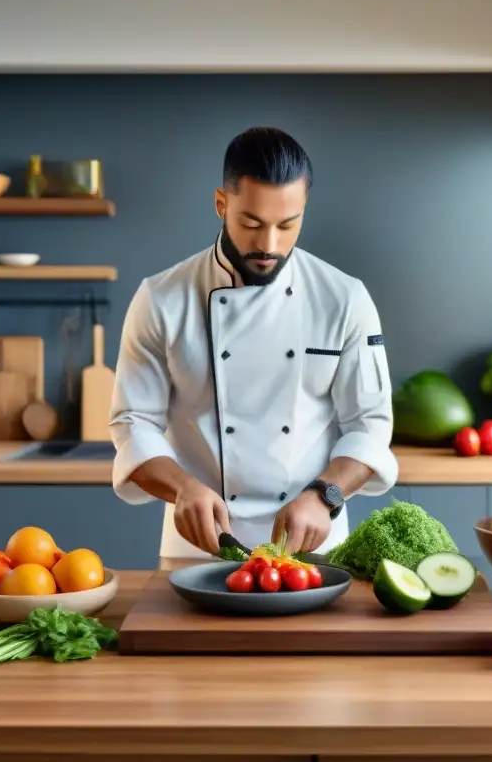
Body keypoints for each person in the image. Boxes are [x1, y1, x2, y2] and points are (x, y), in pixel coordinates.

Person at [109, 126, 397, 559]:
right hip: (198, 548)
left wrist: (326, 495)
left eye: (288, 224)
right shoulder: (161, 299)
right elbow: (134, 424)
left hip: (316, 548)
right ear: (221, 204)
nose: (269, 244)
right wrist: (183, 488)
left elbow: (370, 426)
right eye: (251, 223)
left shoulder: (344, 298)